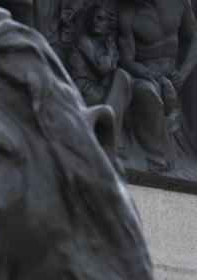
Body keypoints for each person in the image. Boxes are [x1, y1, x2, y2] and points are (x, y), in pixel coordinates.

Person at [117, 0, 197, 172]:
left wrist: (182, 75)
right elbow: (126, 60)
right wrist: (154, 76)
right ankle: (159, 155)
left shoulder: (181, 3)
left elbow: (194, 41)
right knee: (145, 90)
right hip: (142, 80)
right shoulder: (127, 13)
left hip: (172, 87)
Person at [65, 3, 131, 154]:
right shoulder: (82, 40)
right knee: (122, 78)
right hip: (81, 90)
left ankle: (107, 137)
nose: (94, 21)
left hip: (93, 91)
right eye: (92, 18)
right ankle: (109, 140)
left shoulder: (103, 48)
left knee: (125, 88)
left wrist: (112, 58)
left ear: (109, 26)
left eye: (100, 19)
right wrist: (112, 52)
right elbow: (102, 69)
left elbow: (108, 80)